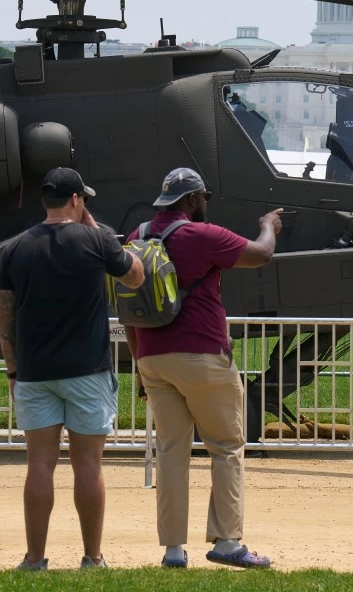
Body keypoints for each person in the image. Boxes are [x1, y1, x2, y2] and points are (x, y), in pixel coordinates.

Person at [123, 168, 281, 569]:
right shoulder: (202, 235)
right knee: (226, 446)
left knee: (172, 452)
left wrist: (140, 362)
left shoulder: (135, 239)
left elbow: (127, 310)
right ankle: (227, 542)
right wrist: (268, 226)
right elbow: (261, 254)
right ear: (192, 199)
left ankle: (173, 551)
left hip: (153, 358)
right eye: (203, 197)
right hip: (202, 355)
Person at [0, 167, 144, 571]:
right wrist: (96, 229)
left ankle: (34, 557)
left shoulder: (16, 248)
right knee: (88, 466)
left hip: (34, 371)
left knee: (39, 465)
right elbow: (135, 276)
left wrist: (12, 372)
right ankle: (93, 557)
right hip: (87, 369)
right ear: (77, 200)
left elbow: (5, 321)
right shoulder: (95, 239)